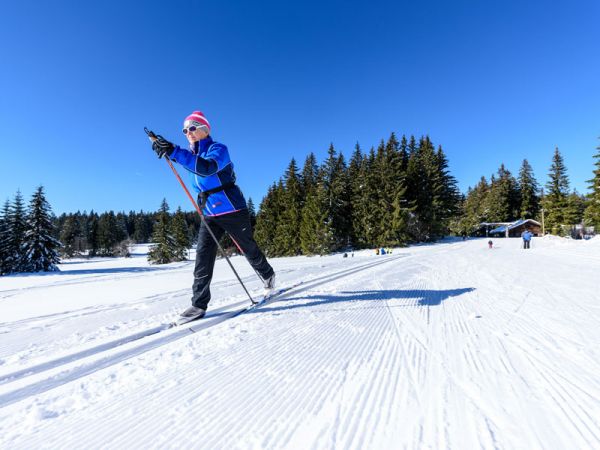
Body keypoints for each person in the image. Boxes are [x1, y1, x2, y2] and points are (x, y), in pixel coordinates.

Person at [151, 111, 275, 322]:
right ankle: (198, 305)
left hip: (232, 209)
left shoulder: (219, 149)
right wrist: (170, 151)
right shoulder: (190, 155)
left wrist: (174, 151)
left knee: (247, 248)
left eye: (192, 127)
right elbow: (191, 163)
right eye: (184, 130)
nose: (188, 132)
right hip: (209, 212)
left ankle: (268, 276)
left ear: (205, 129)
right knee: (203, 256)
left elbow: (207, 169)